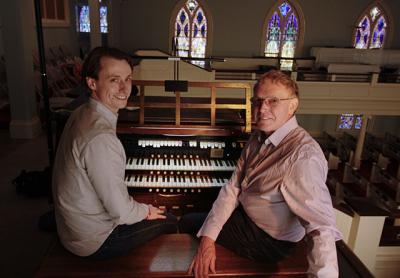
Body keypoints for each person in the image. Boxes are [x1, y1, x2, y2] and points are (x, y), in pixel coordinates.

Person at [179, 70, 342, 277]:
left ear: (292, 106)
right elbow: (234, 186)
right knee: (206, 211)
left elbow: (321, 227)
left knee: (187, 221)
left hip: (268, 240)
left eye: (273, 101)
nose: (262, 109)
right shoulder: (258, 135)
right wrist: (208, 239)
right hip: (248, 215)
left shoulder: (303, 157)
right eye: (257, 101)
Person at [52, 47, 177, 259]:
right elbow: (122, 212)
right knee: (171, 219)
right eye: (113, 80)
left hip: (71, 224)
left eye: (128, 79)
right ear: (92, 83)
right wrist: (147, 210)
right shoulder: (101, 139)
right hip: (94, 240)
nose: (124, 88)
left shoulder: (81, 111)